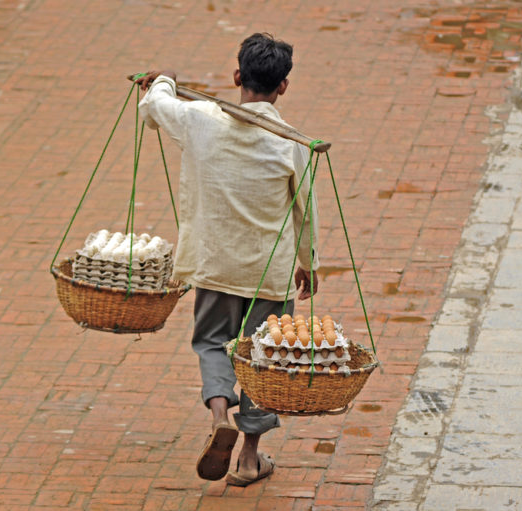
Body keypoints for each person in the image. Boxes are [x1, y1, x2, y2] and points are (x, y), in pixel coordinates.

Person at [136, 32, 319, 487]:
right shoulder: (291, 142)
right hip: (267, 273)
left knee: (213, 343)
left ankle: (220, 412)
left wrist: (165, 80)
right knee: (263, 358)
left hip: (215, 265)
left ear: (237, 77)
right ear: (283, 87)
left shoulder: (199, 119)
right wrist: (308, 262)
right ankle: (250, 458)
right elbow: (305, 210)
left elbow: (154, 107)